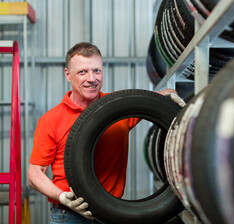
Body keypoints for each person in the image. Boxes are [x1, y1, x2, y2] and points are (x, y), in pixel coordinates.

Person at [27, 42, 185, 224]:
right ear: (68, 75)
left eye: (97, 71)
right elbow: (34, 174)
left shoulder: (117, 107)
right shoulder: (51, 119)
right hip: (69, 214)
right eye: (82, 72)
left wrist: (169, 96)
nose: (91, 78)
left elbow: (155, 99)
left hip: (111, 212)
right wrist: (62, 197)